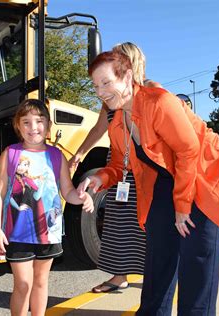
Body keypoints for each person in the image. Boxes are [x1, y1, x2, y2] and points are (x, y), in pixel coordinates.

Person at [77, 51, 219, 315]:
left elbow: (188, 152)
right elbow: (119, 165)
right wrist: (99, 178)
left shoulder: (159, 102)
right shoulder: (118, 122)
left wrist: (182, 206)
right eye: (96, 86)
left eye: (106, 83)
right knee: (159, 258)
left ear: (128, 76)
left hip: (204, 174)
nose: (100, 92)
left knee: (196, 261)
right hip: (167, 181)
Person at [68, 42, 161, 293]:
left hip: (148, 170)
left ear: (130, 63)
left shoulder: (150, 90)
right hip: (120, 166)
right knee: (118, 222)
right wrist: (79, 153)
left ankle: (157, 275)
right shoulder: (109, 98)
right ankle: (120, 276)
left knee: (150, 224)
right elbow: (99, 129)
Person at [0, 99, 94, 316]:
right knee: (23, 284)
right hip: (17, 232)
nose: (33, 127)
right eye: (26, 122)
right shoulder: (10, 153)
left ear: (48, 127)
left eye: (39, 121)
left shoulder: (56, 156)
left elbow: (68, 192)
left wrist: (84, 197)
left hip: (48, 231)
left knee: (40, 282)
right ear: (18, 126)